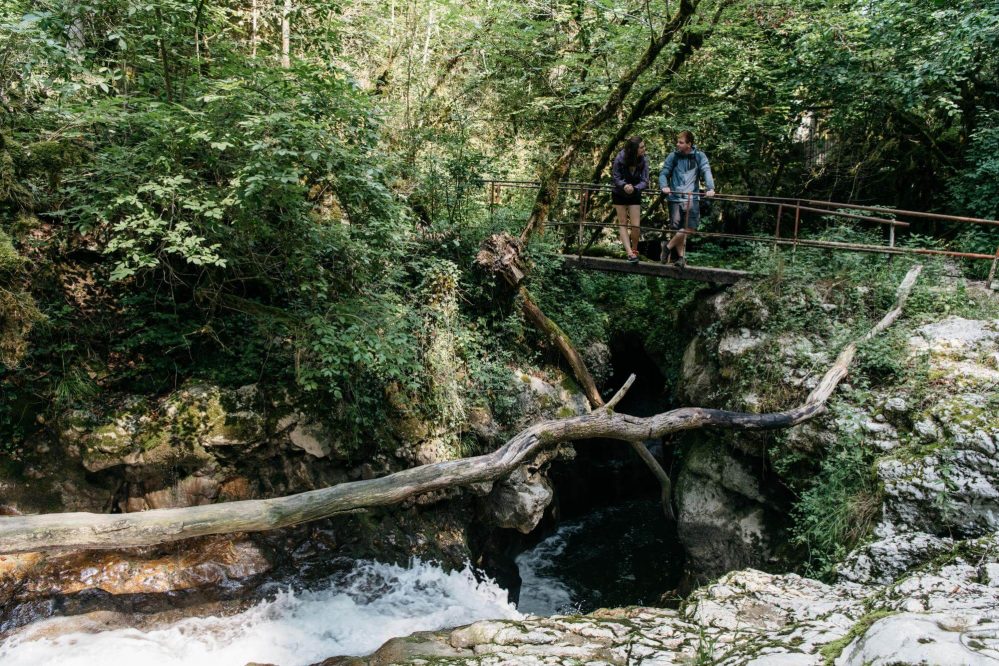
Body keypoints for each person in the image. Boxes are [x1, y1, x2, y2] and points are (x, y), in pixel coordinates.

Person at [658, 130, 715, 268]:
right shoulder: (673, 156)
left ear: (689, 144)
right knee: (678, 229)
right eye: (678, 142)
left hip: (691, 198)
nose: (678, 144)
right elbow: (664, 173)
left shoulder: (699, 156)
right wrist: (664, 186)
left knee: (690, 228)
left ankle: (667, 246)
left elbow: (706, 170)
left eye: (681, 142)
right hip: (675, 198)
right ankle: (681, 258)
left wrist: (710, 188)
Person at [611, 136, 649, 263]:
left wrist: (635, 188)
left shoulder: (643, 160)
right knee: (622, 222)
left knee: (635, 225)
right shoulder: (620, 158)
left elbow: (645, 180)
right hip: (619, 193)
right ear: (634, 149)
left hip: (635, 193)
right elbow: (616, 177)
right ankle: (629, 253)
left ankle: (634, 250)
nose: (644, 149)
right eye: (642, 147)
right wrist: (624, 185)